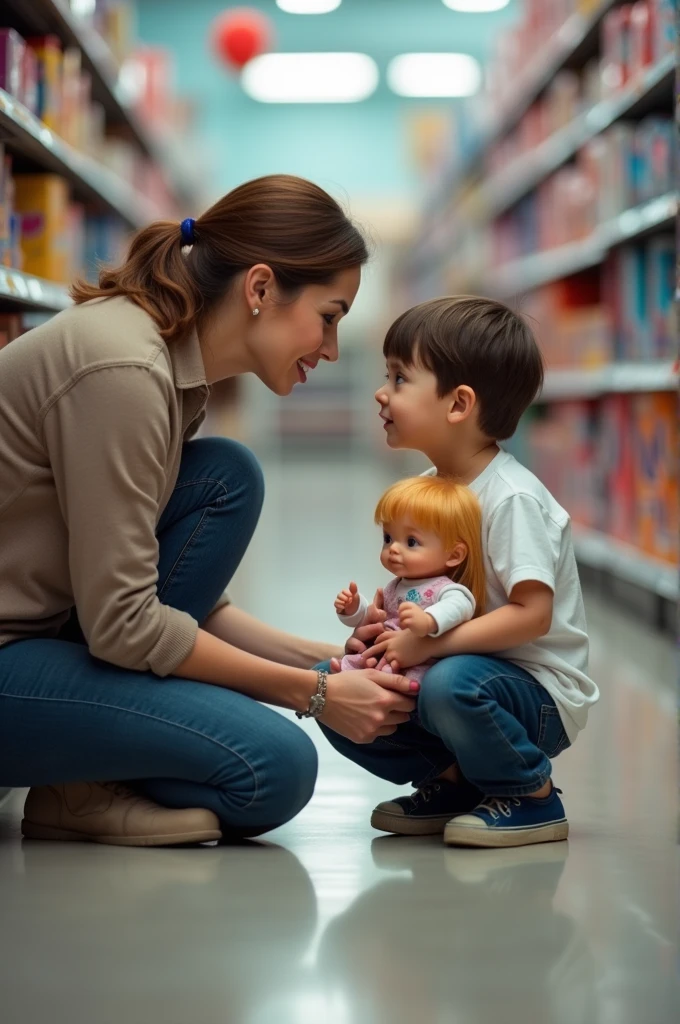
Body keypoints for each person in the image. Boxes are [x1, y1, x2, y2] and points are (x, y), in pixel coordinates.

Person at [0, 174, 417, 848]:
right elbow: (126, 624)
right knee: (274, 766)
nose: (334, 348)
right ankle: (77, 788)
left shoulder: (170, 368)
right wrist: (312, 697)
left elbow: (186, 602)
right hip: (12, 656)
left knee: (226, 475)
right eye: (330, 316)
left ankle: (78, 781)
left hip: (49, 631)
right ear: (259, 289)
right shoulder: (127, 371)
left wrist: (328, 665)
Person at [320, 296, 600, 848]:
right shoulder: (433, 488)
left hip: (535, 695)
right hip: (459, 675)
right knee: (333, 686)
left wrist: (429, 649)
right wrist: (383, 631)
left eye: (399, 378)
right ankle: (453, 783)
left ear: (458, 404)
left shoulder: (512, 497)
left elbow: (533, 616)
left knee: (451, 683)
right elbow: (425, 591)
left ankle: (530, 795)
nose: (382, 392)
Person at [333, 475, 485, 687]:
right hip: (387, 652)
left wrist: (428, 621)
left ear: (453, 555)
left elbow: (461, 606)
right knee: (355, 662)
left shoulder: (444, 589)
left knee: (411, 678)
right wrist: (354, 609)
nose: (393, 548)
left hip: (420, 661)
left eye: (411, 542)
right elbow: (372, 619)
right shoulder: (394, 586)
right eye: (388, 538)